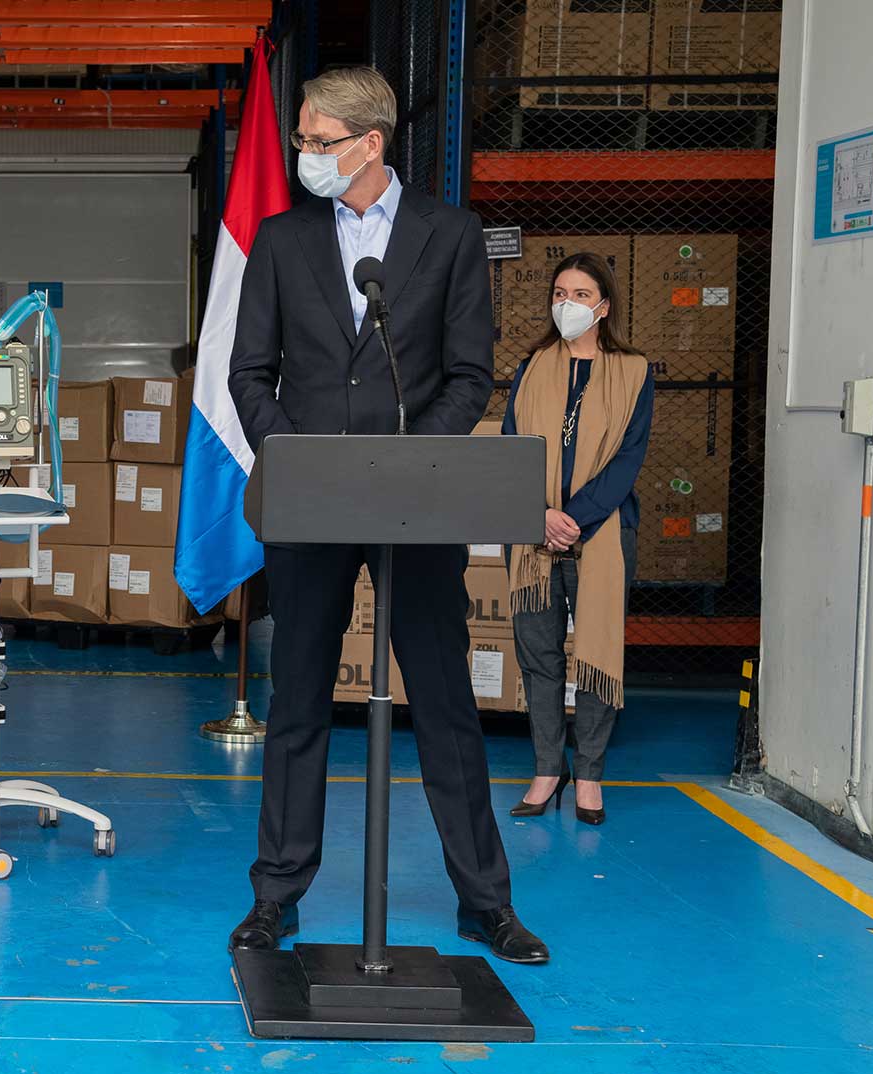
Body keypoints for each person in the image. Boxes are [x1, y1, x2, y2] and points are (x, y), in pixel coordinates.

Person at [225, 67, 548, 964]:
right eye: (300, 140)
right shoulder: (282, 239)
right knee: (297, 704)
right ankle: (275, 894)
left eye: (319, 142)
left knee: (444, 702)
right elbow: (249, 371)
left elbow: (469, 373)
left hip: (418, 505)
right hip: (310, 502)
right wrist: (296, 457)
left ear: (371, 143)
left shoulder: (451, 236)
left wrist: (411, 465)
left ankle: (486, 900)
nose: (304, 156)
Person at [502, 253, 653, 827]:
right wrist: (540, 514)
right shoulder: (532, 365)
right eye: (560, 293)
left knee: (595, 654)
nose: (568, 304)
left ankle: (588, 774)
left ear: (604, 306)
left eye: (582, 294)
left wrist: (573, 519)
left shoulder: (634, 371)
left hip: (605, 535)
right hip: (533, 534)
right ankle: (547, 768)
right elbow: (513, 447)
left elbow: (627, 459)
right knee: (539, 657)